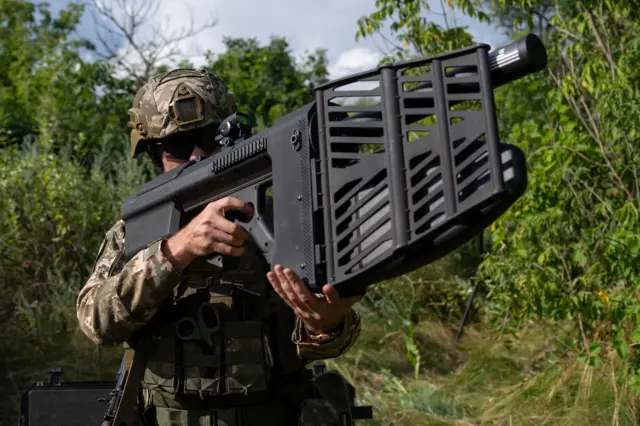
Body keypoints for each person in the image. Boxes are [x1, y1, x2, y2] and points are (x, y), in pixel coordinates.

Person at [76, 68, 364, 426]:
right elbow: (96, 323)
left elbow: (330, 341)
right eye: (179, 147)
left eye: (211, 138)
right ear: (154, 155)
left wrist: (326, 327)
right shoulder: (134, 233)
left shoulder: (282, 218)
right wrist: (176, 252)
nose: (197, 156)